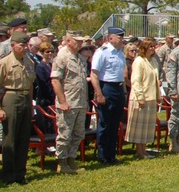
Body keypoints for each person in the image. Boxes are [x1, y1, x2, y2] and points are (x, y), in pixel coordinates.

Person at [0, 31, 36, 184]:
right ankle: (8, 175)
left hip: (25, 99)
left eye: (26, 46)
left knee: (23, 138)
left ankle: (20, 173)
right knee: (10, 139)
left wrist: (30, 105)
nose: (24, 48)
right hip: (11, 97)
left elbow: (30, 85)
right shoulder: (4, 62)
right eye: (21, 45)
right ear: (13, 45)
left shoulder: (29, 62)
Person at [50, 31, 88, 174]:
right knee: (65, 133)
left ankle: (71, 159)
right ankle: (61, 162)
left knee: (78, 133)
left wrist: (85, 100)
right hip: (68, 102)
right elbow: (55, 80)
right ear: (68, 41)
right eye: (76, 41)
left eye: (81, 41)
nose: (80, 43)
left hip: (79, 102)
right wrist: (62, 101)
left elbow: (83, 82)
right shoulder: (62, 57)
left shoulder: (80, 58)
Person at [89, 26, 126, 165]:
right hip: (106, 87)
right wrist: (99, 94)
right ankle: (103, 155)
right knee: (105, 123)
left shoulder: (120, 53)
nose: (122, 39)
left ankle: (111, 154)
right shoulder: (102, 52)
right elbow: (94, 74)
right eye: (119, 37)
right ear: (110, 38)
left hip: (118, 88)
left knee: (115, 123)